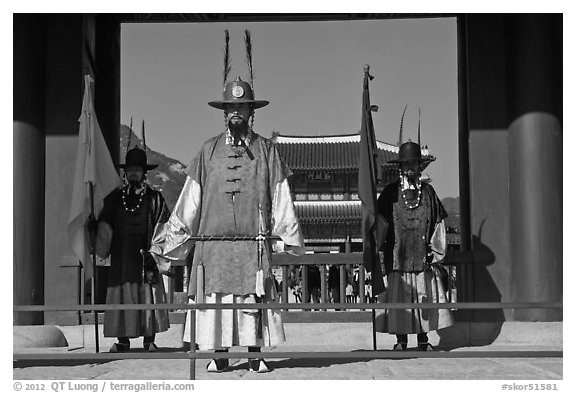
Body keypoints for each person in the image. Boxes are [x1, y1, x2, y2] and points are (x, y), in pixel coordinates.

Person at [149, 30, 304, 373]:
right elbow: (190, 199)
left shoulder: (266, 151)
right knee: (215, 304)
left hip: (252, 246)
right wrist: (172, 239)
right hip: (212, 249)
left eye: (242, 107)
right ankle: (219, 356)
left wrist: (289, 236)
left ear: (251, 111)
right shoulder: (207, 150)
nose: (236, 112)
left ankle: (254, 354)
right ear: (224, 111)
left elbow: (280, 196)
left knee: (253, 299)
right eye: (231, 107)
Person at [375, 120, 454, 351]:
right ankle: (401, 341)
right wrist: (377, 244)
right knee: (400, 302)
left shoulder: (428, 193)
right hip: (397, 257)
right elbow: (380, 222)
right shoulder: (390, 193)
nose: (410, 167)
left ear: (420, 167)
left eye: (414, 163)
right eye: (406, 163)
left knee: (423, 299)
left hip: (422, 257)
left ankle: (423, 340)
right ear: (400, 167)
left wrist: (436, 252)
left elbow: (439, 224)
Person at [88, 145, 171, 353]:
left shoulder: (155, 199)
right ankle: (123, 341)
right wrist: (94, 228)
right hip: (121, 257)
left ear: (144, 172)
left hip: (146, 257)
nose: (134, 172)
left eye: (138, 168)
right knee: (121, 296)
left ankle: (148, 340)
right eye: (130, 168)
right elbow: (105, 229)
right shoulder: (114, 198)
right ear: (125, 172)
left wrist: (156, 253)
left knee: (147, 297)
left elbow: (165, 227)